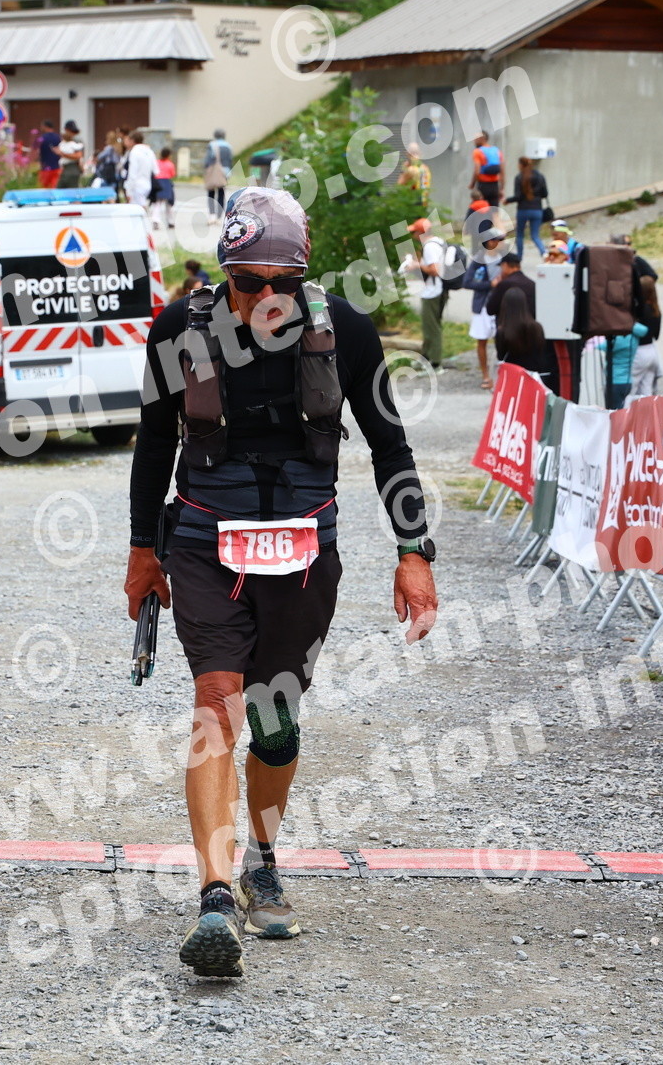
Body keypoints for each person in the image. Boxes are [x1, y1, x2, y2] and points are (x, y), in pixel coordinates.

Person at [125, 187, 437, 978]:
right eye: (248, 282)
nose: (266, 297)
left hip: (302, 551)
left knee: (274, 720)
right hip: (206, 544)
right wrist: (142, 551)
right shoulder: (178, 329)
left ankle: (262, 858)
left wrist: (414, 550)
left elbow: (390, 445)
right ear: (224, 274)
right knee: (216, 702)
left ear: (303, 275)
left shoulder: (347, 332)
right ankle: (215, 896)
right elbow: (154, 443)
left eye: (282, 283)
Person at [464, 215, 505, 389]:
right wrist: (490, 284)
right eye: (498, 240)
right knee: (482, 340)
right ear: (489, 242)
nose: (500, 243)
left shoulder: (505, 259)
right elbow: (467, 282)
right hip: (482, 306)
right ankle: (486, 375)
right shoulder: (478, 260)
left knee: (502, 340)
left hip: (501, 306)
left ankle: (501, 375)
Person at [404, 217, 447, 369]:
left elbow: (434, 270)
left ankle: (435, 362)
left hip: (432, 291)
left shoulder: (430, 247)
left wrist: (416, 265)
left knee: (431, 328)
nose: (413, 235)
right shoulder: (439, 242)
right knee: (430, 326)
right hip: (438, 289)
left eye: (414, 232)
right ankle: (426, 357)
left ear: (420, 232)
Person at [494, 286, 549, 387]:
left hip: (513, 378)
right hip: (534, 377)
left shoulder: (502, 331)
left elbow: (500, 357)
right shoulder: (537, 327)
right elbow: (542, 351)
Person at [507, 157, 548, 261]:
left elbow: (518, 196)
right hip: (537, 209)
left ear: (521, 165)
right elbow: (545, 194)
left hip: (523, 210)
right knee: (535, 236)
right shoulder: (540, 176)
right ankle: (544, 253)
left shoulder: (519, 178)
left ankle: (519, 258)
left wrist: (508, 200)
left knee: (520, 235)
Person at [629, 274, 663, 397]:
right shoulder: (656, 311)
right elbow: (656, 335)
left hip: (639, 351)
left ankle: (626, 409)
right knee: (646, 390)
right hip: (652, 351)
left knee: (631, 389)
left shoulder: (639, 310)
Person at [485, 252, 536, 322]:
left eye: (501, 267)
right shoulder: (532, 284)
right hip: (530, 325)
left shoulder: (504, 284)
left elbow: (490, 309)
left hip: (508, 326)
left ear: (505, 265)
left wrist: (495, 287)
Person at [122, 130, 157, 214]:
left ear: (132, 141)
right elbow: (156, 170)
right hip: (147, 184)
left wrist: (129, 191)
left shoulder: (134, 152)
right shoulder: (149, 151)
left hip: (136, 185)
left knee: (136, 210)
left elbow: (132, 173)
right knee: (141, 207)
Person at [204, 129, 234, 219]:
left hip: (214, 172)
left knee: (211, 193)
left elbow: (208, 160)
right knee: (221, 193)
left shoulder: (212, 145)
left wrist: (206, 170)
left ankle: (212, 214)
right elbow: (230, 160)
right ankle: (219, 215)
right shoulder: (228, 146)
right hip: (225, 172)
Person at [468, 132, 502, 209]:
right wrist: (502, 188)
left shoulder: (477, 151)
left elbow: (477, 170)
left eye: (476, 139)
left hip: (483, 185)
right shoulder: (496, 150)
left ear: (482, 139)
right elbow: (502, 170)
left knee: (477, 210)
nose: (474, 141)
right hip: (495, 185)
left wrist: (473, 184)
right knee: (494, 211)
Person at [397, 143, 432, 211]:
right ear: (420, 154)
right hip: (424, 203)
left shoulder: (410, 169)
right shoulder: (425, 168)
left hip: (411, 203)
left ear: (407, 154)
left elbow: (399, 185)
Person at [152, 146, 177, 230]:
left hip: (158, 183)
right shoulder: (170, 164)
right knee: (169, 204)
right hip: (166, 183)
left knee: (157, 203)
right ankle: (170, 221)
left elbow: (154, 172)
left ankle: (155, 220)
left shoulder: (157, 162)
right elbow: (172, 174)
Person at [56, 121, 86, 190]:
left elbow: (78, 155)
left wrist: (62, 154)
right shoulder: (67, 141)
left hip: (73, 167)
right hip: (66, 168)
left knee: (72, 192)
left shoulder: (76, 140)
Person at [93, 132, 123, 197]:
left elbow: (100, 156)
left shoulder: (109, 148)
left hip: (109, 169)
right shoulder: (118, 147)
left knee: (106, 186)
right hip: (115, 169)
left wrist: (96, 158)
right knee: (114, 185)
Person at [35, 120, 62, 189]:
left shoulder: (41, 138)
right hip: (57, 168)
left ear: (45, 126)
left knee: (43, 190)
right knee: (54, 189)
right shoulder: (58, 137)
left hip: (45, 169)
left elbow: (36, 152)